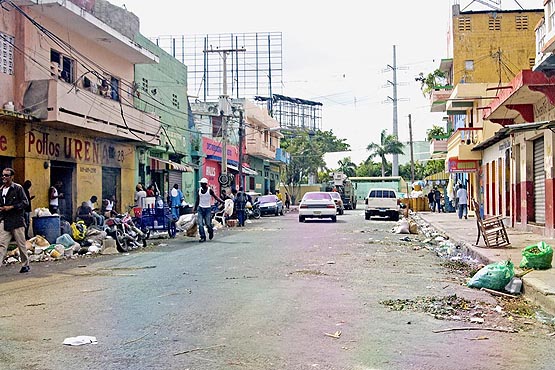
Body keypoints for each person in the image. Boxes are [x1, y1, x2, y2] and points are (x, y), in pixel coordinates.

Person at [0, 168, 30, 273]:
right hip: (5, 220)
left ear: (12, 177)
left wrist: (11, 207)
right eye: (3, 175)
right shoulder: (1, 189)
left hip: (17, 220)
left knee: (21, 244)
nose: (4, 177)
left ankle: (25, 264)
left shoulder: (18, 188)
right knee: (2, 243)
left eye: (7, 175)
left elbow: (25, 203)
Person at [193, 177, 223, 243]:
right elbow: (197, 200)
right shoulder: (199, 190)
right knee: (200, 224)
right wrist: (195, 208)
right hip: (200, 208)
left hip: (207, 209)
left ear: (205, 184)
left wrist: (222, 202)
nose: (201, 185)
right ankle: (202, 237)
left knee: (208, 224)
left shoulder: (210, 190)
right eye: (201, 184)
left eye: (202, 184)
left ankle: (210, 231)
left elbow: (216, 197)